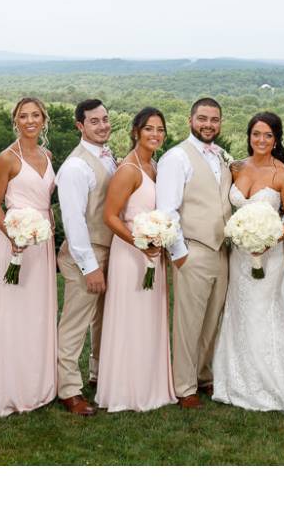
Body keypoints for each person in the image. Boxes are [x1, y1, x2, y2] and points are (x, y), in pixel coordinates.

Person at [212, 112, 284, 418]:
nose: (261, 140)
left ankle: (272, 379)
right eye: (256, 134)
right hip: (238, 255)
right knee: (238, 310)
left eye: (268, 135)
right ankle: (238, 378)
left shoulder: (283, 175)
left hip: (269, 254)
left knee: (263, 311)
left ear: (276, 139)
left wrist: (270, 240)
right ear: (249, 136)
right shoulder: (236, 168)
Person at [0, 97, 58, 417]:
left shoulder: (48, 155)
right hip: (16, 243)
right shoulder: (7, 159)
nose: (30, 121)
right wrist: (11, 233)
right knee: (15, 314)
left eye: (36, 115)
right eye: (23, 116)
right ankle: (11, 386)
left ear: (44, 120)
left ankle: (38, 384)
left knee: (39, 313)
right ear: (15, 121)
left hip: (43, 243)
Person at [95, 108, 176, 412]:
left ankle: (149, 383)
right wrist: (140, 243)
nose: (155, 135)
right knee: (130, 319)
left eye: (160, 130)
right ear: (136, 132)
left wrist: (159, 240)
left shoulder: (154, 166)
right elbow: (110, 216)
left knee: (149, 319)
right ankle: (125, 389)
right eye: (149, 129)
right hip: (131, 255)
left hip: (153, 253)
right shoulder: (129, 169)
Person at [156, 97, 232, 409]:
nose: (208, 125)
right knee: (188, 322)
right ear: (190, 120)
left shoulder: (224, 157)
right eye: (202, 118)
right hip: (193, 249)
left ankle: (203, 374)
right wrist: (180, 254)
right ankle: (184, 386)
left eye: (214, 119)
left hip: (223, 251)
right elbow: (167, 209)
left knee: (212, 319)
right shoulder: (176, 158)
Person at [54, 99, 116, 417]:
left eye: (105, 119)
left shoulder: (107, 156)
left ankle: (96, 373)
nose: (103, 125)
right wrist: (90, 267)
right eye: (94, 121)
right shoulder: (76, 167)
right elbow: (74, 222)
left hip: (110, 251)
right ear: (80, 126)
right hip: (87, 253)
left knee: (102, 320)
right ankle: (68, 390)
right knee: (75, 324)